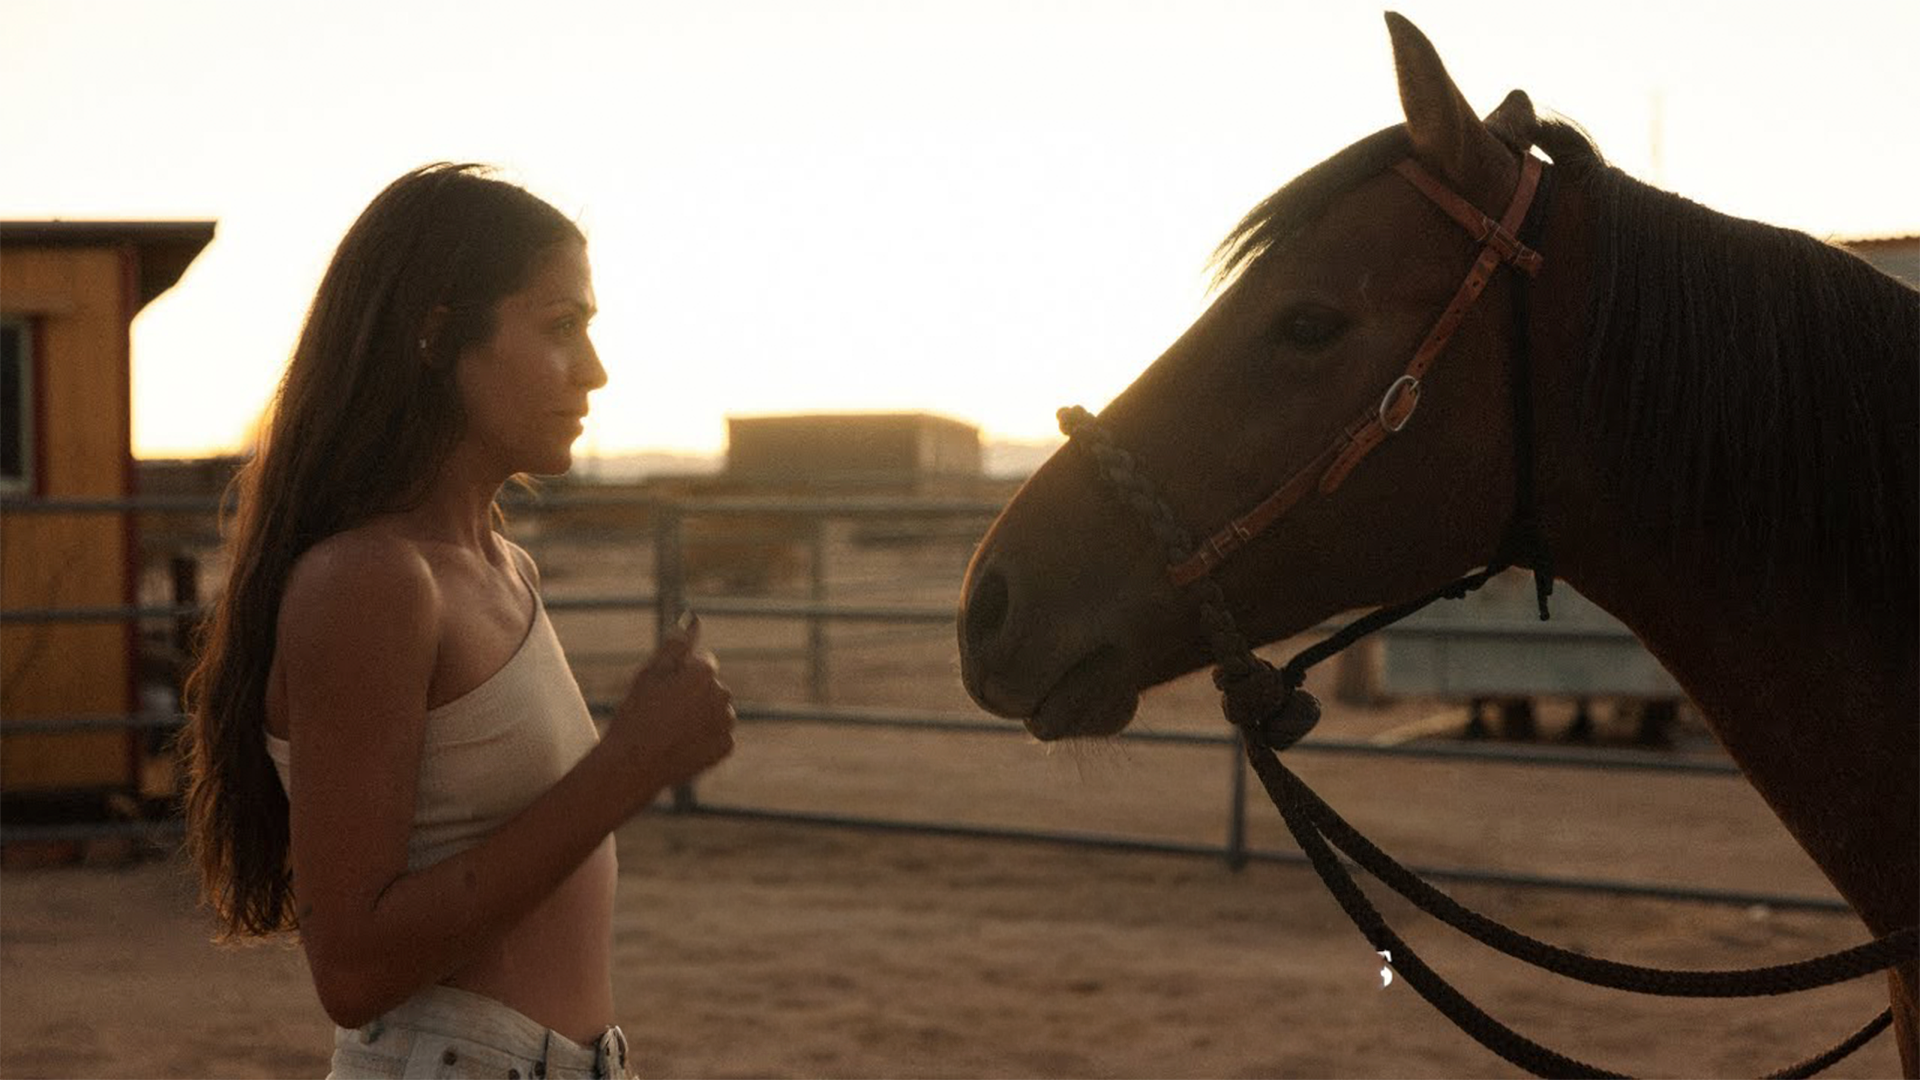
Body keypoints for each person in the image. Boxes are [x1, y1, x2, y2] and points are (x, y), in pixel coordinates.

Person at [179, 162, 736, 1079]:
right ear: (438, 337)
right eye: (562, 327)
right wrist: (630, 766)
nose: (594, 371)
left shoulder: (500, 567)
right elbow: (353, 969)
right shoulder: (373, 583)